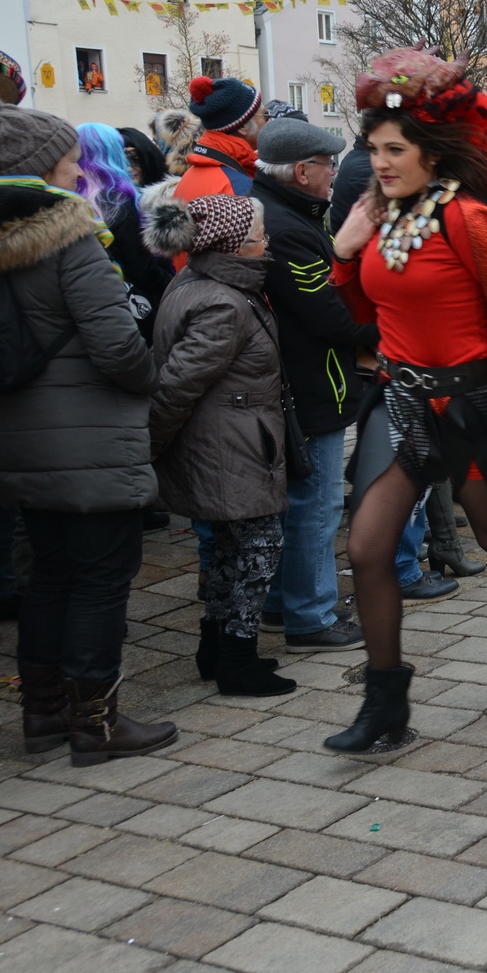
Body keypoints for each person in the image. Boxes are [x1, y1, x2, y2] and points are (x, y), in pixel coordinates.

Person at [325, 47, 487, 752]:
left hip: (472, 408)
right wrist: (346, 252)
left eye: (395, 149)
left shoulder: (471, 219)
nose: (380, 162)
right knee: (366, 545)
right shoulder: (377, 217)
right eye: (373, 148)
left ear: (433, 153)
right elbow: (361, 309)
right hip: (403, 405)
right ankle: (386, 703)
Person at [0, 89, 176, 764]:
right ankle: (97, 724)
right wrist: (150, 379)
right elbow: (115, 342)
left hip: (12, 428)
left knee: (50, 573)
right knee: (101, 573)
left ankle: (43, 716)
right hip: (86, 431)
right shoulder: (67, 229)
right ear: (52, 159)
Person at [141, 192, 297, 697]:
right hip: (231, 446)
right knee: (258, 549)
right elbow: (177, 385)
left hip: (231, 440)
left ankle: (217, 648)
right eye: (259, 238)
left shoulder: (201, 283)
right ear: (232, 247)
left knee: (233, 548)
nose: (267, 243)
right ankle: (236, 659)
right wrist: (150, 448)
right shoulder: (222, 301)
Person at [249, 117, 385, 650]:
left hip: (303, 381)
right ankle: (312, 616)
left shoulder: (286, 212)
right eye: (328, 164)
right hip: (310, 385)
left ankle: (284, 604)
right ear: (302, 170)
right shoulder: (285, 227)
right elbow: (327, 314)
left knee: (302, 499)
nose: (334, 173)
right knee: (317, 502)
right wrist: (393, 325)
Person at [74, 122, 171, 342]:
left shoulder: (73, 197)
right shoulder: (117, 200)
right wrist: (170, 283)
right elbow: (142, 267)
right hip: (134, 305)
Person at [172, 77, 267, 222]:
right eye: (265, 115)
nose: (270, 122)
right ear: (243, 127)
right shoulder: (237, 186)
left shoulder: (191, 175)